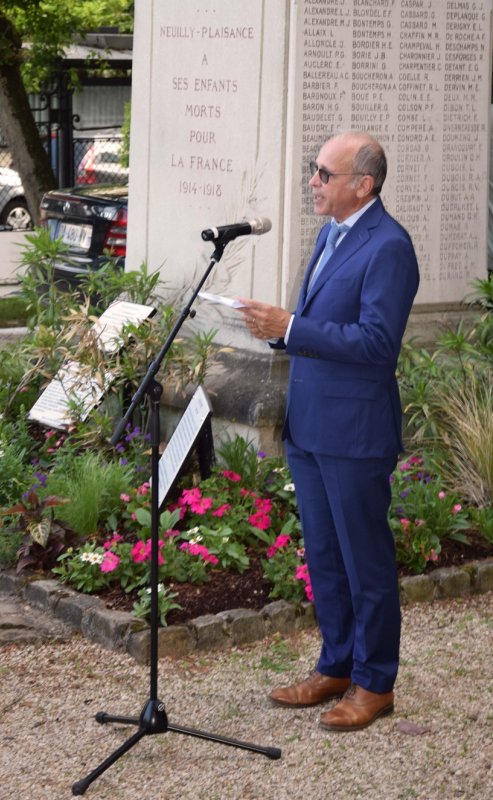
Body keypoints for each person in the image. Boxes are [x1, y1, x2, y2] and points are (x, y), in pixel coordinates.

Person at [238, 131, 420, 732]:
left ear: (361, 184)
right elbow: (316, 327)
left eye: (322, 173)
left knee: (363, 559)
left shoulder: (388, 246)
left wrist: (292, 325)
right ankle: (335, 666)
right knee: (323, 556)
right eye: (312, 171)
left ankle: (375, 683)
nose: (312, 182)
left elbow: (376, 344)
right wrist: (280, 329)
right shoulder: (328, 235)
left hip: (354, 430)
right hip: (310, 423)